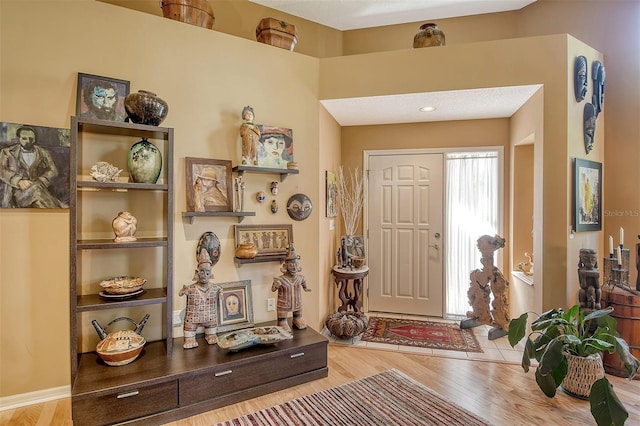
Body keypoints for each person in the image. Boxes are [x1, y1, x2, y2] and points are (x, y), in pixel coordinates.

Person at [0, 125, 67, 208]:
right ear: (19, 138)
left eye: (31, 139)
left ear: (34, 139)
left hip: (38, 188)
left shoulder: (43, 152)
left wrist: (41, 180)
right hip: (16, 193)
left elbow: (53, 170)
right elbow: (2, 171)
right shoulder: (7, 152)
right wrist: (18, 181)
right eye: (24, 138)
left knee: (38, 199)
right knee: (39, 194)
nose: (28, 141)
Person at [179, 249, 222, 349]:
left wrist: (221, 294)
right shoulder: (191, 288)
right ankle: (190, 338)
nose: (205, 276)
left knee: (212, 325)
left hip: (210, 319)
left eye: (207, 273)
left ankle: (211, 334)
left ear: (211, 273)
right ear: (197, 273)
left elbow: (221, 291)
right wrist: (183, 291)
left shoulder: (215, 288)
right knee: (189, 325)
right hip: (192, 320)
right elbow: (181, 292)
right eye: (202, 272)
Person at [272, 244, 311, 331]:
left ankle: (297, 318)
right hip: (284, 305)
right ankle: (282, 321)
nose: (294, 267)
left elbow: (304, 283)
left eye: (296, 265)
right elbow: (273, 289)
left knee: (298, 311)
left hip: (297, 303)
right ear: (286, 267)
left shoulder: (300, 278)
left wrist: (306, 288)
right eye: (291, 265)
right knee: (282, 314)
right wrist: (276, 285)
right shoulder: (281, 279)